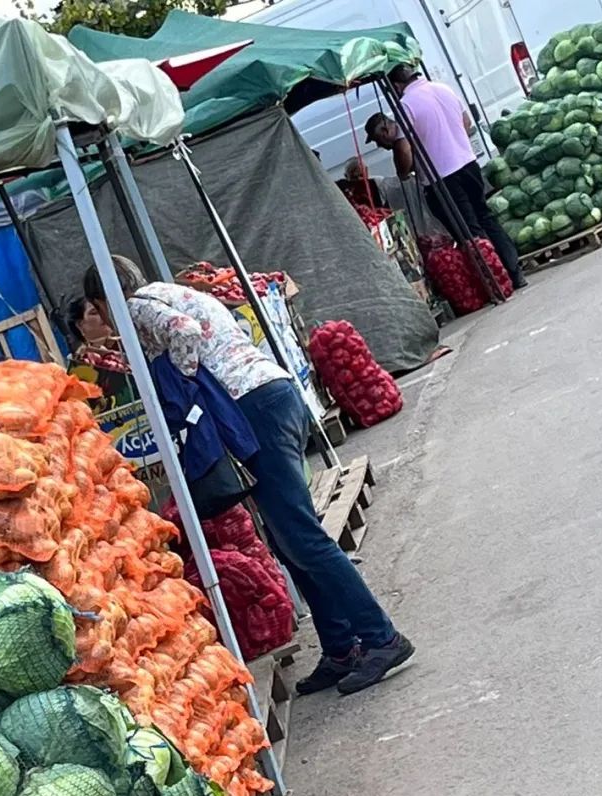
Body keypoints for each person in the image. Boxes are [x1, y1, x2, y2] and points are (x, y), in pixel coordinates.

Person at [82, 256, 414, 697]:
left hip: (255, 406)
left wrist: (185, 382)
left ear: (106, 298)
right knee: (286, 539)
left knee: (301, 537)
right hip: (269, 398)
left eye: (98, 309)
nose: (104, 320)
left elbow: (184, 331)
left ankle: (381, 638)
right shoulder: (166, 292)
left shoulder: (137, 305)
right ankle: (340, 647)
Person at [375, 65, 526, 289]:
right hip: (468, 164)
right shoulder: (443, 88)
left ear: (396, 85)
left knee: (469, 231)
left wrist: (404, 172)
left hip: (443, 178)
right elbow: (466, 122)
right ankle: (514, 271)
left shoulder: (406, 105)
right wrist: (452, 141)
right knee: (485, 217)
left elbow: (404, 150)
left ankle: (497, 279)